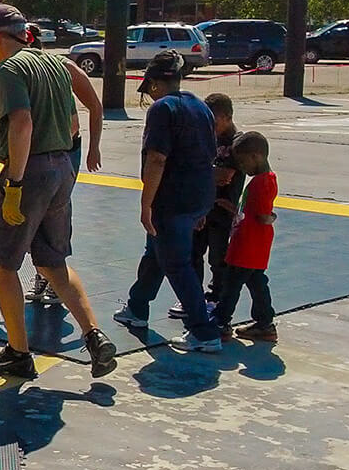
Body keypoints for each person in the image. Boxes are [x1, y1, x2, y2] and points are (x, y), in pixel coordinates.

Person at [0, 4, 117, 380]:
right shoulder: (57, 65)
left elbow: (21, 123)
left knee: (4, 264)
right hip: (62, 168)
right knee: (53, 262)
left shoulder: (10, 69)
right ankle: (94, 336)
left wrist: (16, 184)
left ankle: (18, 353)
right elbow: (74, 123)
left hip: (30, 170)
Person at [113, 50, 221, 353]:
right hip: (199, 195)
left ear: (156, 83)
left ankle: (203, 330)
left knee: (175, 262)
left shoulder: (162, 110)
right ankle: (137, 307)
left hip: (172, 198)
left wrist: (146, 204)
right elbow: (208, 156)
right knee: (156, 251)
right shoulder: (201, 107)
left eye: (149, 88)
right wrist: (203, 205)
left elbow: (157, 159)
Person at [26, 45, 104, 306]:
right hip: (38, 151)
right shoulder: (21, 71)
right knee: (33, 215)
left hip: (66, 149)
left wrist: (94, 148)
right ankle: (42, 273)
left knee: (58, 213)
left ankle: (55, 274)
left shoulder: (64, 68)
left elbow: (95, 105)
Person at [168, 92, 241, 316]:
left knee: (219, 258)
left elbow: (225, 175)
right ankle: (193, 296)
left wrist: (197, 171)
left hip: (222, 209)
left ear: (228, 117)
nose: (211, 126)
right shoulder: (207, 136)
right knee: (193, 253)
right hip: (201, 206)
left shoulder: (237, 143)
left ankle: (217, 298)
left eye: (215, 121)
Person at [210, 131, 279, 342]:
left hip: (247, 245)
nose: (241, 167)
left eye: (243, 161)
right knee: (257, 282)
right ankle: (265, 322)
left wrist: (268, 217)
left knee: (232, 284)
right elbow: (255, 211)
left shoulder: (261, 182)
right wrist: (235, 209)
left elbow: (262, 214)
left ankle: (221, 321)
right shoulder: (265, 180)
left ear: (256, 156)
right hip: (255, 246)